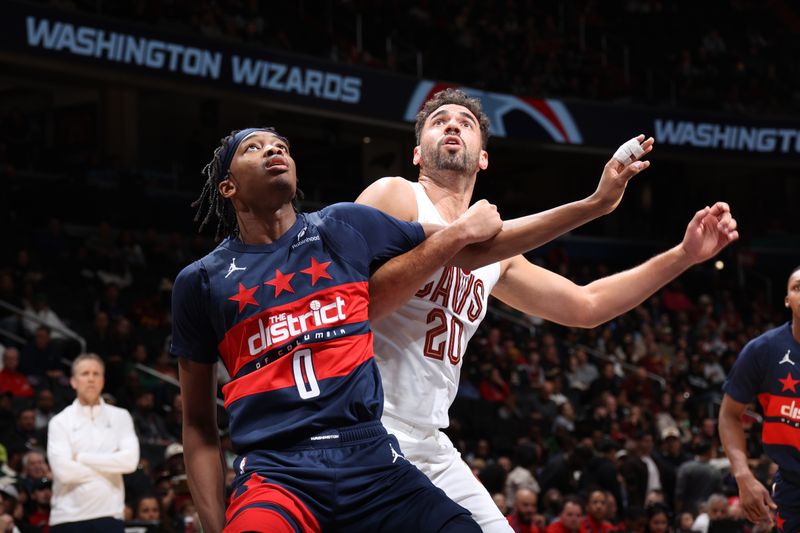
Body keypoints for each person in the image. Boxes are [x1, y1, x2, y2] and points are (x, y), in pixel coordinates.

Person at [356, 88, 739, 531]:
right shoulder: (395, 195)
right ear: (418, 154)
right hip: (366, 424)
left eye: (466, 121)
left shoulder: (498, 255)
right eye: (439, 121)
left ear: (483, 158)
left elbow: (587, 305)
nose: (453, 124)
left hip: (430, 440)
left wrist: (684, 256)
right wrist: (594, 204)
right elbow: (351, 303)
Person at [172, 127, 508, 532]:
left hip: (370, 457)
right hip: (277, 473)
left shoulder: (341, 225)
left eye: (282, 146)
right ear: (227, 186)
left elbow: (469, 245)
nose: (274, 150)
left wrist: (590, 207)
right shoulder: (202, 281)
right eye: (254, 148)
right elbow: (197, 425)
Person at [719, 265, 800, 532]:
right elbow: (730, 414)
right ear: (787, 300)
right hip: (793, 488)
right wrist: (743, 475)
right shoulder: (762, 351)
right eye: (798, 288)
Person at [46, 353, 139, 532]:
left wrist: (81, 457)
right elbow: (64, 472)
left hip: (109, 514)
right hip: (67, 517)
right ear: (73, 381)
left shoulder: (121, 416)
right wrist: (111, 467)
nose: (91, 379)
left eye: (96, 374)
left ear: (103, 380)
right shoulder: (59, 421)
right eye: (85, 373)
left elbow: (130, 462)